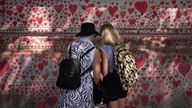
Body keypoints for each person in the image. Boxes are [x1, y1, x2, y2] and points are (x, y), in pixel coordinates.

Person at [56, 22, 101, 108]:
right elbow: (96, 77)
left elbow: (70, 65)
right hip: (84, 87)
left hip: (69, 84)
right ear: (93, 35)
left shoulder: (71, 46)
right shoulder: (94, 50)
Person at [100, 24, 128, 108]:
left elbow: (105, 72)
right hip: (123, 80)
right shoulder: (122, 46)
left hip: (111, 81)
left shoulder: (104, 48)